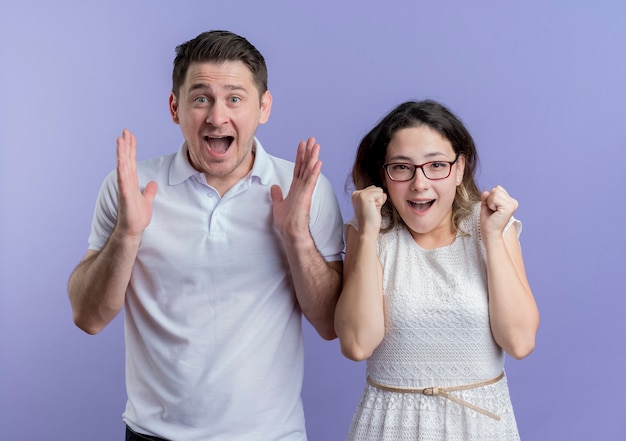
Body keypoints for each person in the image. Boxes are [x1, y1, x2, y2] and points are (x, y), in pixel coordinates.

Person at [67, 30, 344, 441]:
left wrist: (296, 237)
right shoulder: (130, 185)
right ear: (175, 107)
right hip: (152, 435)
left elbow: (328, 324)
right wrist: (128, 234)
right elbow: (88, 318)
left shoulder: (303, 188)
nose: (217, 117)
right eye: (201, 98)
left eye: (235, 98)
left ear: (263, 107)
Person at [334, 100, 539, 440]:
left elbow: (518, 342)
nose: (419, 183)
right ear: (383, 174)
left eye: (436, 165)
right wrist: (368, 233)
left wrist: (490, 236)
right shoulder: (370, 232)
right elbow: (357, 345)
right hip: (389, 426)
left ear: (460, 169)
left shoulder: (492, 226)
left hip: (480, 426)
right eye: (402, 168)